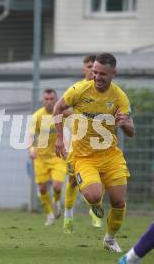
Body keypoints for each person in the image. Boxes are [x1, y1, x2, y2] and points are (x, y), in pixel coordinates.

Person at [54, 52, 135, 252]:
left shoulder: (119, 97)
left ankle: (109, 239)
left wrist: (124, 123)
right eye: (94, 72)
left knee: (118, 201)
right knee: (93, 195)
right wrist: (58, 139)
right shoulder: (80, 89)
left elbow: (131, 132)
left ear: (113, 73)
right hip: (84, 157)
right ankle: (91, 203)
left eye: (102, 74)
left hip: (110, 156)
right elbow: (57, 108)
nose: (97, 77)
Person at [63, 54, 103, 233]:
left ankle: (94, 210)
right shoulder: (77, 89)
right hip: (77, 145)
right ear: (84, 69)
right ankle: (68, 217)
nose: (91, 71)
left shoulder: (105, 90)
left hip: (99, 145)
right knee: (72, 181)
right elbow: (61, 109)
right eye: (88, 67)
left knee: (96, 181)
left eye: (93, 68)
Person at [28, 89, 67, 226]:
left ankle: (56, 202)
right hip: (41, 158)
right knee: (43, 189)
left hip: (58, 156)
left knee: (57, 186)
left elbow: (74, 129)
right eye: (46, 99)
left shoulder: (62, 115)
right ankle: (50, 215)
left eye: (52, 99)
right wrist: (32, 148)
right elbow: (31, 136)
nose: (49, 102)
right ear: (43, 100)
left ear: (56, 100)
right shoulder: (37, 116)